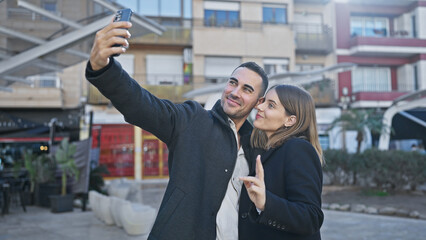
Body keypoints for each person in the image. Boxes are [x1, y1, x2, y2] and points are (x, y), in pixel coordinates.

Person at [85, 20, 269, 240]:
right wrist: (103, 69)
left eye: (246, 89)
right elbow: (143, 105)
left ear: (259, 102)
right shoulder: (193, 119)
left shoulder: (257, 144)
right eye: (232, 82)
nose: (235, 92)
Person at [239, 85, 324, 240]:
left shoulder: (298, 148)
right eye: (263, 101)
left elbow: (311, 217)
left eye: (270, 105)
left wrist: (266, 203)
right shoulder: (267, 149)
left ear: (290, 120)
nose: (259, 106)